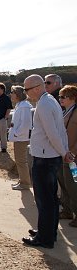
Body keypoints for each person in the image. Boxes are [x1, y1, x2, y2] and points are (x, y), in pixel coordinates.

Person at [22, 74, 73, 249]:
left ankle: (45, 238)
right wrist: (64, 151)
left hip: (45, 158)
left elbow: (53, 133)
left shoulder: (44, 104)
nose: (26, 93)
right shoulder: (50, 101)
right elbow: (60, 131)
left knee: (44, 200)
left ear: (37, 88)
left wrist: (64, 151)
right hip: (50, 156)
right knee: (50, 199)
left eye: (27, 89)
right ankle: (47, 232)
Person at [57, 85, 77, 227]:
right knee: (64, 183)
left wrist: (73, 152)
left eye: (63, 97)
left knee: (72, 185)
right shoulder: (66, 111)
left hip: (72, 156)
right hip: (64, 154)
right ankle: (67, 210)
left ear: (72, 97)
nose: (60, 99)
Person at [8, 86, 33, 190]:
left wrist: (16, 134)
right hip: (19, 138)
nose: (11, 94)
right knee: (20, 161)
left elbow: (26, 124)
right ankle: (22, 180)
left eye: (12, 92)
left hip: (21, 138)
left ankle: (25, 183)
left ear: (17, 94)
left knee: (21, 161)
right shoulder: (20, 105)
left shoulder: (24, 107)